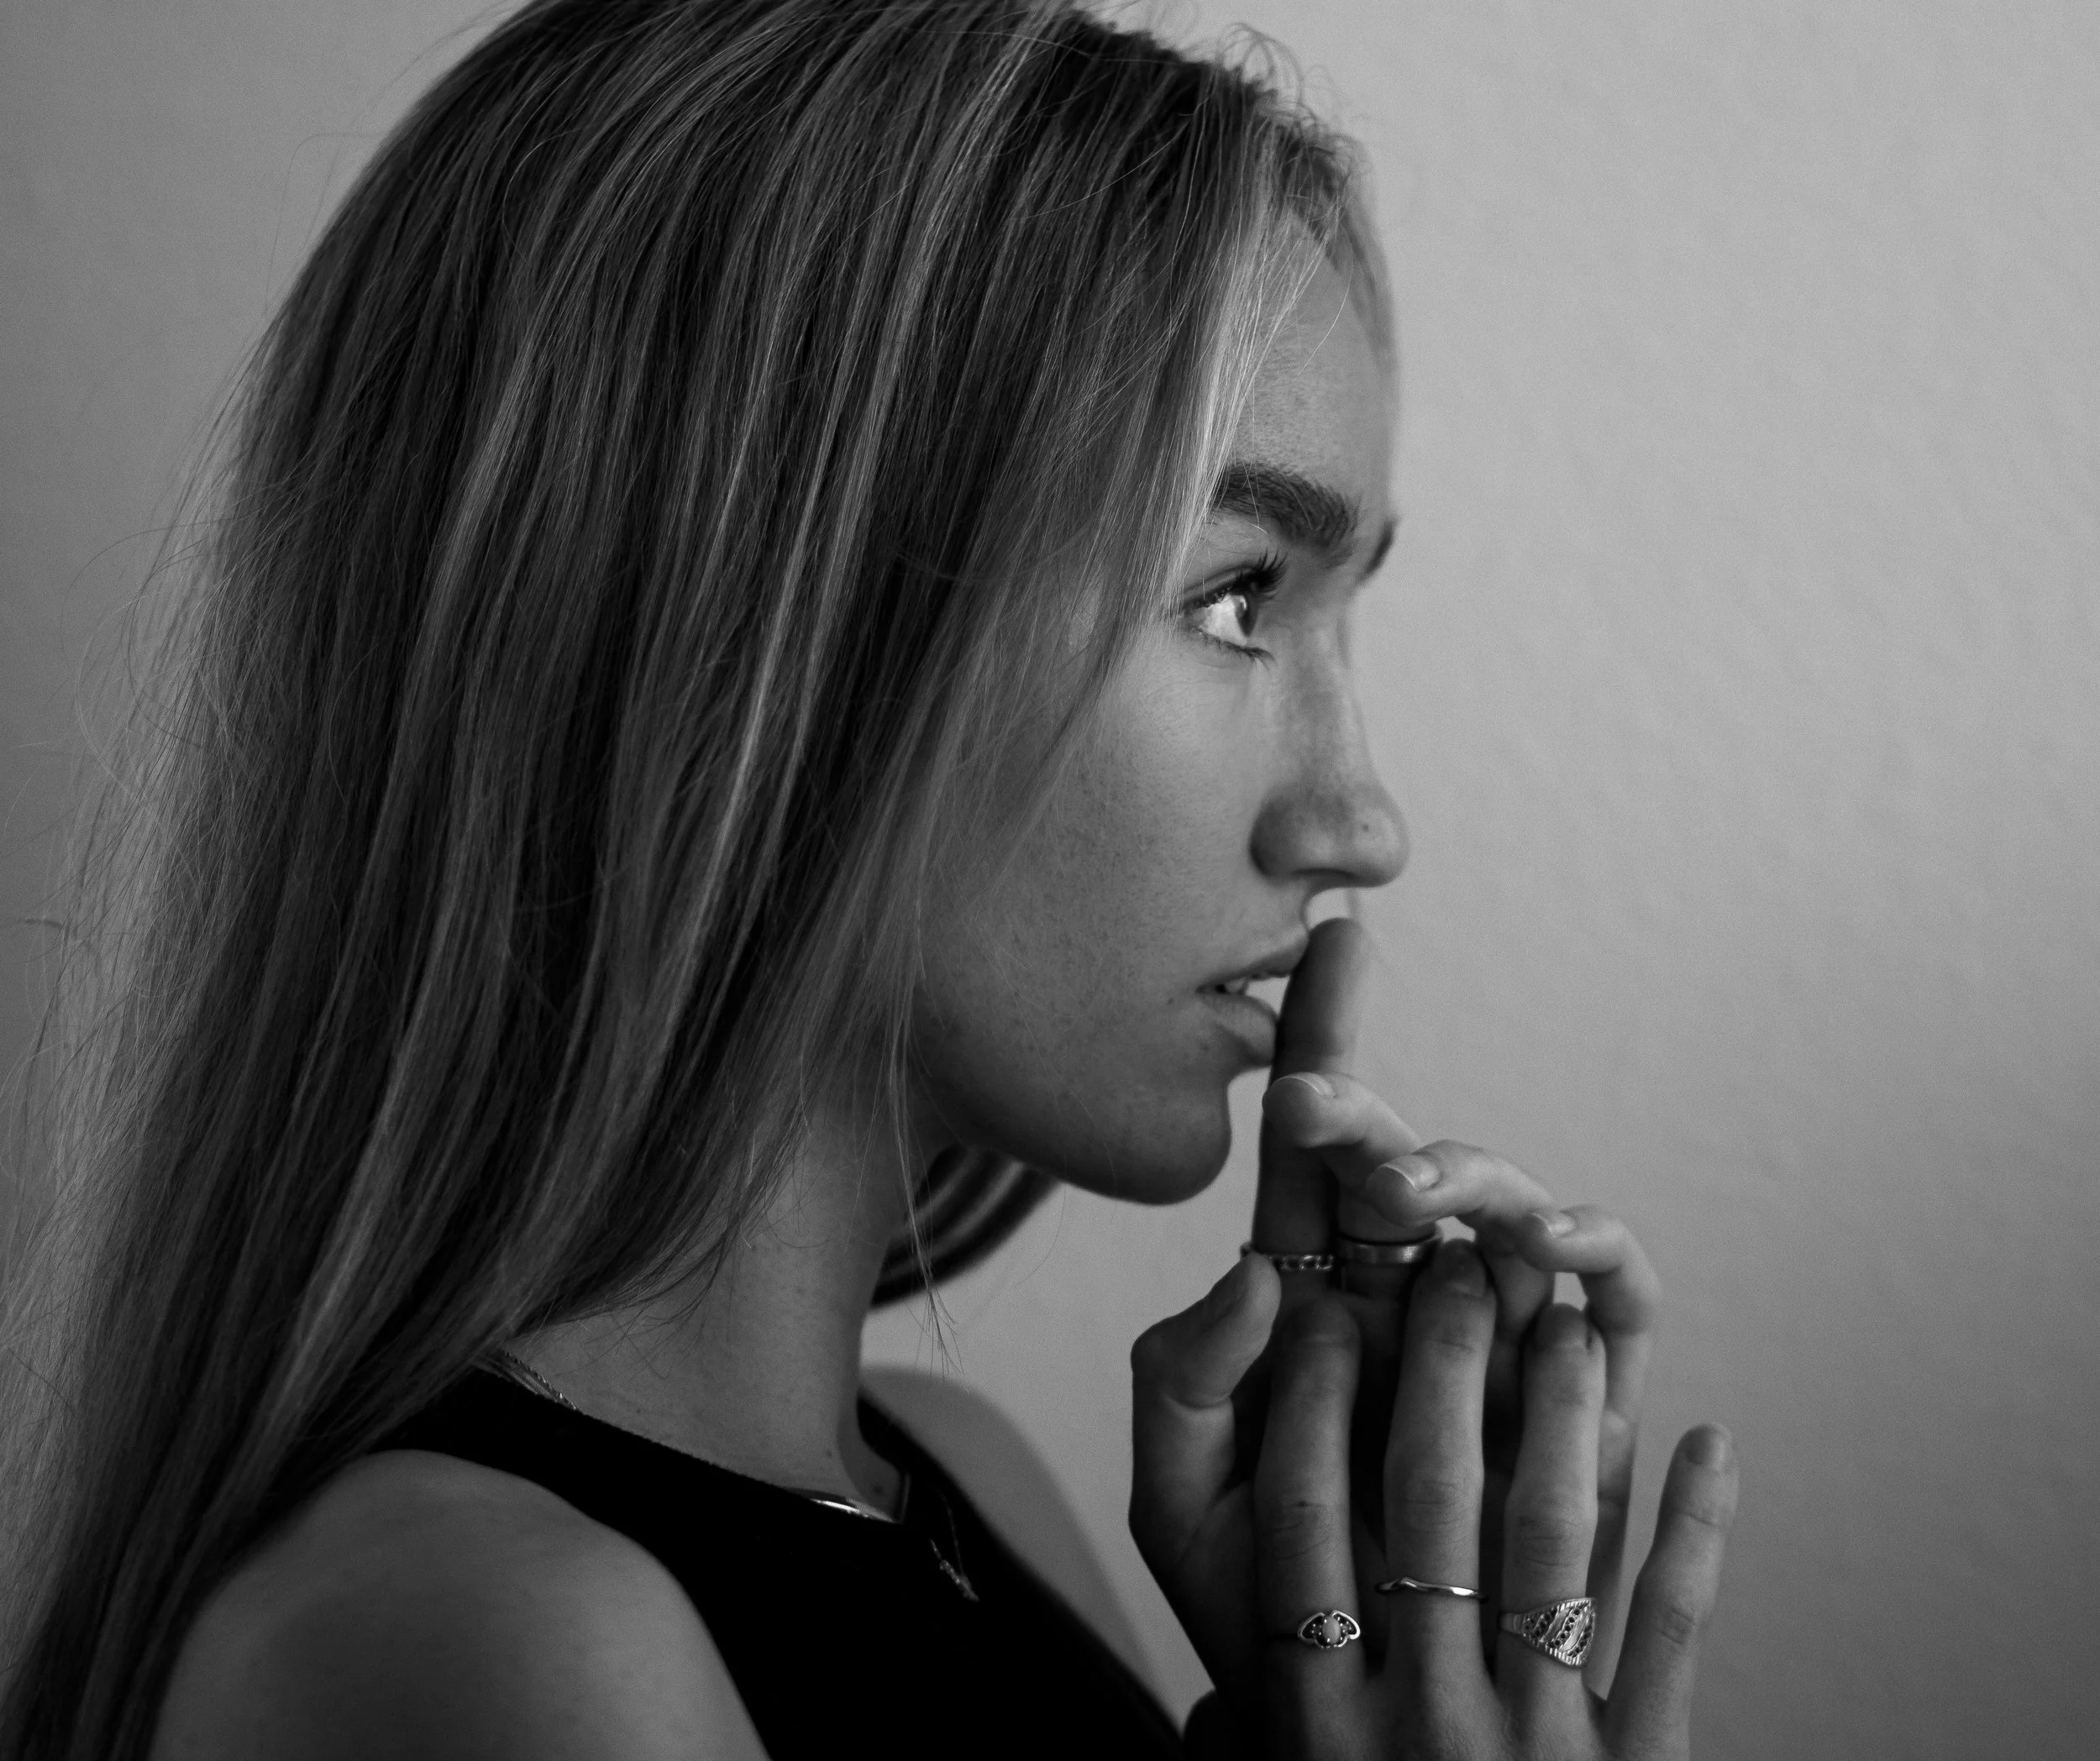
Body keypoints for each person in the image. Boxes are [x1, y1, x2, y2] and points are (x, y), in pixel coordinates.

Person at [0, 2, 1738, 1757]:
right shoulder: (510, 1647)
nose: (1359, 820)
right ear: (769, 618)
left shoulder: (949, 1480)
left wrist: (1341, 1677)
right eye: (1235, 598)